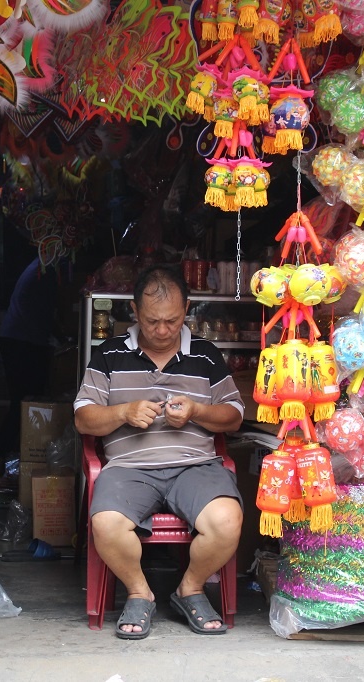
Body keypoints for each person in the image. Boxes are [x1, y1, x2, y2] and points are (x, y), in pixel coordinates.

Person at [74, 264, 244, 639]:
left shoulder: (205, 356)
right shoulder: (109, 354)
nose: (163, 330)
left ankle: (191, 587)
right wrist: (123, 411)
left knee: (227, 521)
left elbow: (233, 417)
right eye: (152, 322)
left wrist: (198, 411)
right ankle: (140, 592)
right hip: (129, 469)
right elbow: (84, 420)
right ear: (134, 312)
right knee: (105, 523)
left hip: (195, 466)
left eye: (172, 320)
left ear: (187, 311)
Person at [0, 257, 62, 458]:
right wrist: (62, 337)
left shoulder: (40, 267)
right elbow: (49, 311)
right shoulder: (45, 271)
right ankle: (9, 455)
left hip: (19, 338)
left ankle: (10, 455)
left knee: (24, 401)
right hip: (23, 340)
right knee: (27, 402)